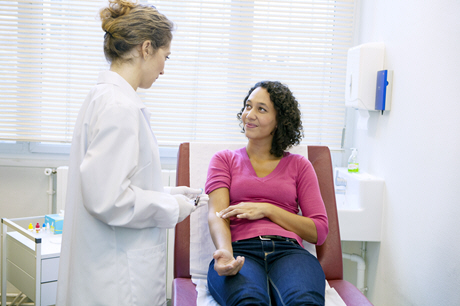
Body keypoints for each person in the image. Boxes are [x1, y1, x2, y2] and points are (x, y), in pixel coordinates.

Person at [56, 1, 203, 305]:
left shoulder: (108, 98)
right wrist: (172, 208)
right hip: (118, 279)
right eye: (165, 56)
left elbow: (116, 181)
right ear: (146, 48)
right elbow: (109, 200)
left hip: (109, 263)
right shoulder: (119, 108)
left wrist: (171, 193)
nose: (164, 68)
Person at [205, 81, 329, 306]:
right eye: (248, 106)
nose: (249, 115)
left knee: (304, 302)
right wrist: (225, 252)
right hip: (241, 250)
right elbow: (217, 214)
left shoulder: (300, 166)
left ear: (279, 121)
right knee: (248, 301)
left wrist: (267, 209)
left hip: (289, 252)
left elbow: (318, 231)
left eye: (261, 109)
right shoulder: (224, 160)